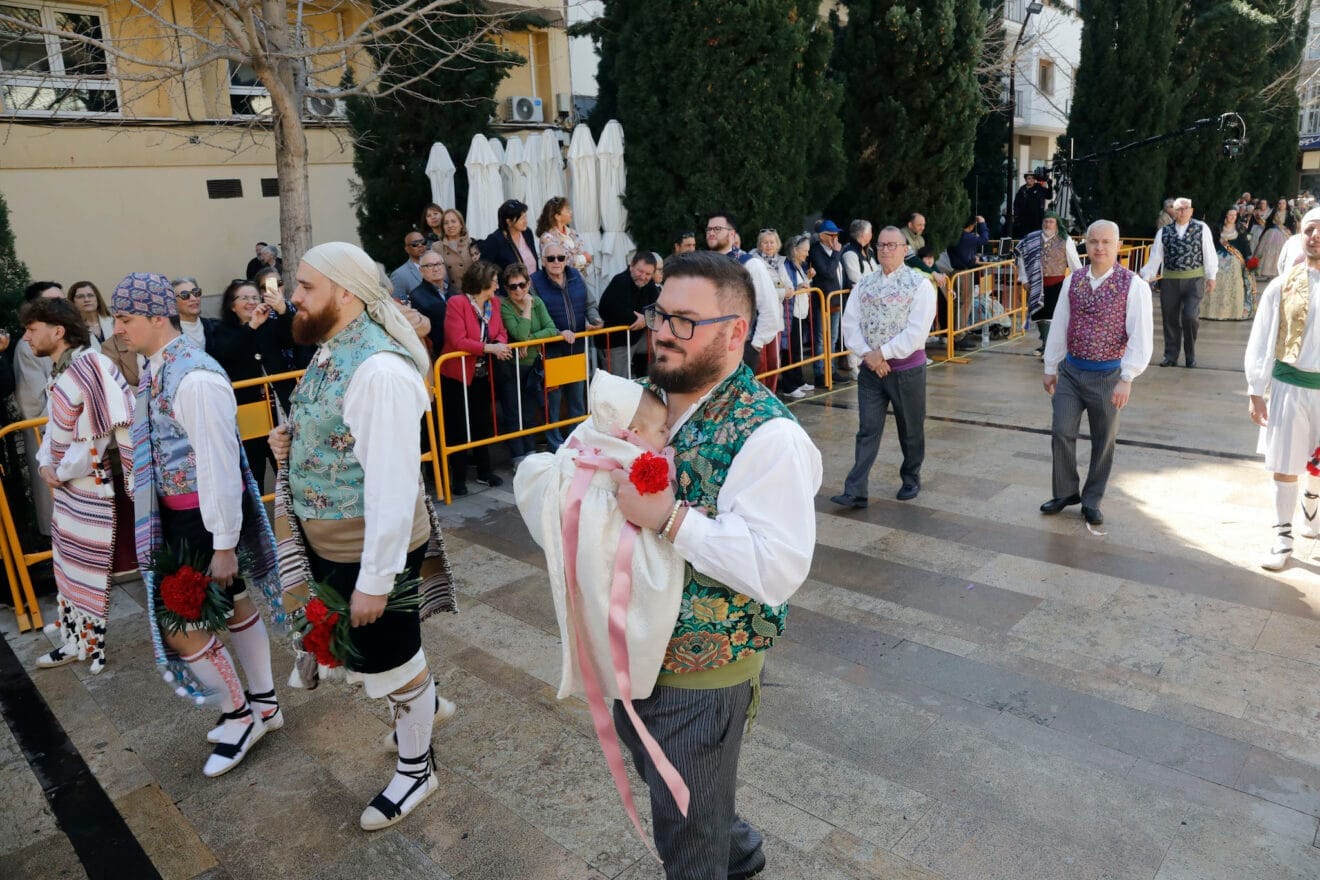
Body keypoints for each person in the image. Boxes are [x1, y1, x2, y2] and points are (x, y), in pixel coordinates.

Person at [607, 250, 822, 878]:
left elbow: (777, 569)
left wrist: (672, 519)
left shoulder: (770, 436)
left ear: (734, 333)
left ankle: (718, 842)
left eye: (684, 322)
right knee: (664, 773)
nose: (663, 332)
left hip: (704, 675)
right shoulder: (658, 396)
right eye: (660, 314)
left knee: (685, 841)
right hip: (640, 647)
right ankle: (732, 837)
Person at [267, 241, 458, 831]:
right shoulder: (334, 348)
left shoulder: (378, 369)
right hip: (337, 543)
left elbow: (393, 488)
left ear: (345, 293)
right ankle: (424, 704)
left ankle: (417, 767)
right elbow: (338, 433)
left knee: (390, 660)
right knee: (388, 655)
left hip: (371, 549)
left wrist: (376, 582)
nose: (292, 297)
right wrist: (291, 440)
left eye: (305, 286)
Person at [113, 272, 282, 778]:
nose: (119, 329)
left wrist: (224, 543)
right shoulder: (163, 366)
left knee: (181, 624)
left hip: (201, 518)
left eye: (126, 318)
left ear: (155, 316)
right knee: (233, 606)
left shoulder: (195, 376)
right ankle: (264, 705)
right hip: (187, 512)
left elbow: (218, 463)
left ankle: (239, 715)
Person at [512, 372, 691, 845]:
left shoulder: (599, 454)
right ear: (627, 432)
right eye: (657, 431)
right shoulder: (603, 463)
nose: (664, 438)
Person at [24, 298, 135, 674]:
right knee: (68, 563)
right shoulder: (64, 370)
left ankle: (86, 638)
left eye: (32, 328)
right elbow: (55, 429)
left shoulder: (92, 367)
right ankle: (76, 637)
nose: (26, 337)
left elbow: (98, 436)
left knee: (86, 566)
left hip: (89, 486)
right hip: (70, 486)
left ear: (57, 331)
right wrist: (45, 465)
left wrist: (59, 469)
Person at [1040, 220, 1154, 527]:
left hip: (1108, 375)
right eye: (1093, 242)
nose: (1099, 248)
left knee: (1104, 440)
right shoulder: (1073, 280)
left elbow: (1141, 337)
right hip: (1072, 371)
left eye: (1106, 242)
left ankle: (1092, 499)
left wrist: (1127, 378)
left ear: (1118, 246)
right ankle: (1065, 491)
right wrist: (1051, 366)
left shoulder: (1134, 285)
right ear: (1085, 244)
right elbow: (1060, 323)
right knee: (1061, 430)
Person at [830, 226, 938, 507]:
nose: (886, 250)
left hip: (906, 370)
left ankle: (911, 477)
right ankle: (856, 490)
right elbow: (850, 323)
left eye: (892, 245)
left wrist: (883, 354)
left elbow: (916, 333)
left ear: (905, 249)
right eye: (881, 245)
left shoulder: (920, 285)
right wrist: (869, 355)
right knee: (867, 429)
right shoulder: (865, 284)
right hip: (870, 371)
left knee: (911, 428)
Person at [1244, 208, 1320, 570]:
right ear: (1301, 235)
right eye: (1310, 229)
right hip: (1290, 386)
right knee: (1287, 463)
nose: (1316, 235)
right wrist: (1255, 389)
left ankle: (1312, 510)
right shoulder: (1281, 284)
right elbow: (1262, 338)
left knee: (1317, 463)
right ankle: (1282, 537)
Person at [206, 279, 295, 496]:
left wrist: (282, 311)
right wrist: (251, 326)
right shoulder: (220, 331)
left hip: (279, 407)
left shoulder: (270, 325)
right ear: (231, 305)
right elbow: (227, 355)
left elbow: (293, 337)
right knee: (254, 472)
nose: (251, 302)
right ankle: (261, 525)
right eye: (244, 298)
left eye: (255, 297)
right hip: (248, 410)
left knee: (289, 468)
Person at [440, 261, 512, 495]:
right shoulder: (457, 303)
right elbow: (457, 339)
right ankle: (458, 478)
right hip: (457, 375)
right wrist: (490, 349)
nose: (497, 286)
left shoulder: (494, 303)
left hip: (482, 374)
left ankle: (484, 472)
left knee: (483, 423)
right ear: (482, 283)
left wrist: (500, 343)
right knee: (458, 427)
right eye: (494, 282)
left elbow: (500, 331)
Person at [532, 241, 600, 451]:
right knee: (553, 402)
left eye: (560, 258)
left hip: (577, 349)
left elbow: (589, 304)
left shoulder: (576, 276)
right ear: (543, 261)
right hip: (552, 351)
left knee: (577, 401)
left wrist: (595, 320)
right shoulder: (535, 281)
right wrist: (556, 333)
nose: (556, 262)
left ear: (566, 259)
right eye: (550, 258)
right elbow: (536, 316)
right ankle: (555, 446)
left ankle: (576, 443)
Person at [1140, 197, 1217, 368]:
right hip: (1170, 280)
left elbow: (1209, 253)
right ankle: (1171, 356)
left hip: (1194, 279)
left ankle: (1190, 355)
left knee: (1190, 316)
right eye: (1178, 209)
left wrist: (1211, 276)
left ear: (1191, 210)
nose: (1182, 212)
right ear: (1174, 211)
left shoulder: (1201, 228)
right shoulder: (1164, 232)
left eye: (1185, 209)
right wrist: (1146, 277)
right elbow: (1156, 257)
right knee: (1170, 318)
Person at [705, 213, 781, 388]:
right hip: (711, 345)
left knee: (736, 399)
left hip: (741, 346)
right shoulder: (706, 265)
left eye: (717, 229)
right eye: (709, 229)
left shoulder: (750, 265)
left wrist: (755, 345)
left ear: (732, 234)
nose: (711, 233)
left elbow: (769, 307)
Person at [16, 281, 65, 538]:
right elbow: (32, 401)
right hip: (48, 434)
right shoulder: (29, 346)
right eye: (52, 301)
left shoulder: (81, 336)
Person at [499, 263, 559, 465]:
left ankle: (531, 452)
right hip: (511, 366)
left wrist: (530, 339)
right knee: (513, 411)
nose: (518, 290)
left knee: (529, 409)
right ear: (506, 288)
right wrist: (526, 308)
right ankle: (518, 456)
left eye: (522, 285)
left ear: (528, 283)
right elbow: (518, 334)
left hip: (532, 364)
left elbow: (552, 329)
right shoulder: (505, 306)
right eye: (513, 286)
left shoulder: (538, 302)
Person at [1017, 212, 1082, 354]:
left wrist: (1080, 279)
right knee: (1039, 315)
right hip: (1035, 283)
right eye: (1046, 221)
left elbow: (1074, 262)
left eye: (1051, 221)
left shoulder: (1065, 239)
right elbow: (1021, 257)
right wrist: (1024, 278)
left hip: (1056, 283)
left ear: (1057, 223)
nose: (1048, 224)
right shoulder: (1032, 239)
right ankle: (1045, 343)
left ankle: (1049, 347)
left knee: (1052, 316)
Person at [597, 252, 659, 377]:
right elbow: (614, 312)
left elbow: (659, 307)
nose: (643, 277)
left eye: (648, 274)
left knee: (665, 346)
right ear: (631, 266)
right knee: (618, 382)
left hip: (637, 338)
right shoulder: (620, 281)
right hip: (616, 341)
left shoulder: (649, 283)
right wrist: (645, 318)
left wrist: (645, 319)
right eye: (640, 271)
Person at [1203, 206, 1257, 321]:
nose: (1233, 217)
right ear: (1225, 216)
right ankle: (1211, 311)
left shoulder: (1240, 229)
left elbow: (1245, 246)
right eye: (1230, 215)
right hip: (1217, 260)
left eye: (1235, 215)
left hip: (1234, 262)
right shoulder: (1216, 229)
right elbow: (1210, 244)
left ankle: (1231, 312)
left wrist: (1249, 259)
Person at [808, 220, 845, 386]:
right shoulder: (816, 251)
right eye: (831, 235)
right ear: (822, 236)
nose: (834, 238)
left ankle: (831, 369)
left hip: (835, 299)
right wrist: (837, 253)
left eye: (836, 234)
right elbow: (828, 273)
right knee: (821, 338)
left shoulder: (835, 250)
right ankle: (820, 372)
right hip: (822, 300)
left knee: (833, 337)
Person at [780, 233, 816, 398]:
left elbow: (803, 286)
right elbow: (786, 287)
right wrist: (799, 285)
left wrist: (807, 279)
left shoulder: (798, 266)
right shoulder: (784, 265)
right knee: (790, 350)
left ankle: (798, 380)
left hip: (800, 312)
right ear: (795, 250)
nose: (807, 254)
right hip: (790, 313)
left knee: (797, 349)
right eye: (805, 251)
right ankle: (789, 386)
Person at [478, 199, 539, 278]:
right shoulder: (495, 240)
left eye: (525, 217)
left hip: (534, 285)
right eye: (521, 218)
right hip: (512, 288)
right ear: (509, 221)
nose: (525, 221)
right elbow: (484, 269)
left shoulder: (527, 233)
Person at [408, 250, 449, 356]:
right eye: (430, 266)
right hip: (438, 354)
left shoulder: (454, 292)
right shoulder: (416, 296)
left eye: (439, 264)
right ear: (421, 271)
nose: (436, 269)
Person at [536, 196, 594, 272]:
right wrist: (583, 259)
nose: (571, 212)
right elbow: (560, 263)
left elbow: (586, 259)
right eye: (567, 210)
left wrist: (581, 260)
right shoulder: (547, 238)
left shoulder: (572, 232)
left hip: (576, 277)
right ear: (557, 216)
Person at [1255, 199, 1296, 285]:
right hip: (1271, 235)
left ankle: (1277, 273)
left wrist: (1290, 231)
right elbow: (1268, 223)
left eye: (1283, 203)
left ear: (1286, 205)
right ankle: (1269, 274)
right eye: (1280, 203)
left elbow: (1292, 226)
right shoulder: (1273, 213)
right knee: (1268, 253)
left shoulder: (1289, 214)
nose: (1281, 205)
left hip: (1283, 235)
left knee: (1280, 253)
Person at [172, 277, 217, 351]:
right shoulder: (170, 333)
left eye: (196, 292)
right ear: (174, 302)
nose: (193, 298)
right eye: (185, 295)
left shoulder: (214, 326)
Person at [433, 208, 478, 284]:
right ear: (443, 227)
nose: (450, 225)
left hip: (474, 291)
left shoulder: (473, 243)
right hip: (451, 293)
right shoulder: (436, 247)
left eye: (453, 221)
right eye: (446, 223)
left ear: (461, 224)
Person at [67, 281, 114, 345]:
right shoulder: (71, 329)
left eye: (90, 295)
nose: (86, 300)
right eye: (80, 296)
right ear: (72, 301)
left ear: (97, 299)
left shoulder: (113, 322)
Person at [1012, 170, 1052, 238]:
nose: (1032, 180)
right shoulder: (1022, 190)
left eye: (1033, 178)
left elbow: (1049, 196)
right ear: (1026, 179)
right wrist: (1017, 216)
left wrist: (1050, 185)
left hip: (1037, 221)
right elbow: (1016, 204)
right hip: (1024, 221)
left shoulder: (1039, 187)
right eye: (1029, 178)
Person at [391, 232, 428, 301]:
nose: (420, 245)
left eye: (423, 242)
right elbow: (399, 304)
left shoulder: (439, 265)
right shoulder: (399, 275)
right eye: (415, 244)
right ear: (407, 249)